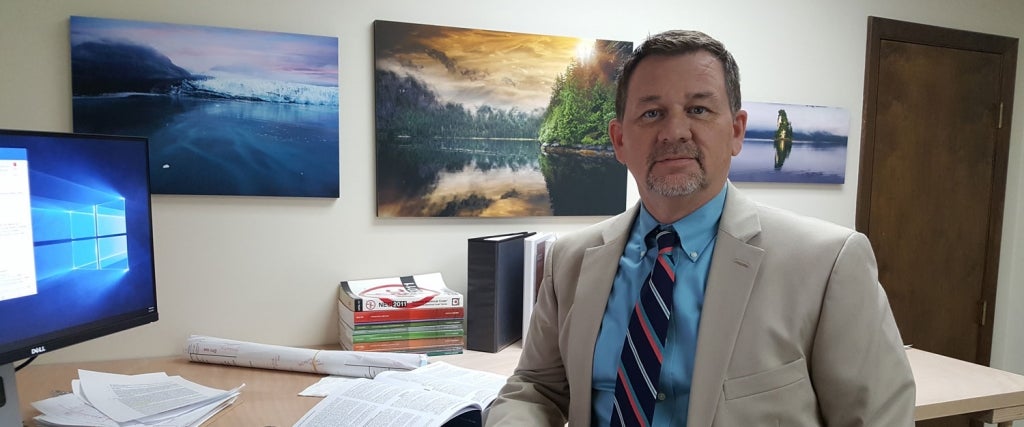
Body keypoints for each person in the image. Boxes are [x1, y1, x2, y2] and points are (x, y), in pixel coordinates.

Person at [483, 30, 915, 426]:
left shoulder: (828, 264)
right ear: (619, 141)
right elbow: (534, 390)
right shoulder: (571, 260)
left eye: (698, 109)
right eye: (651, 113)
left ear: (736, 131)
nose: (674, 131)